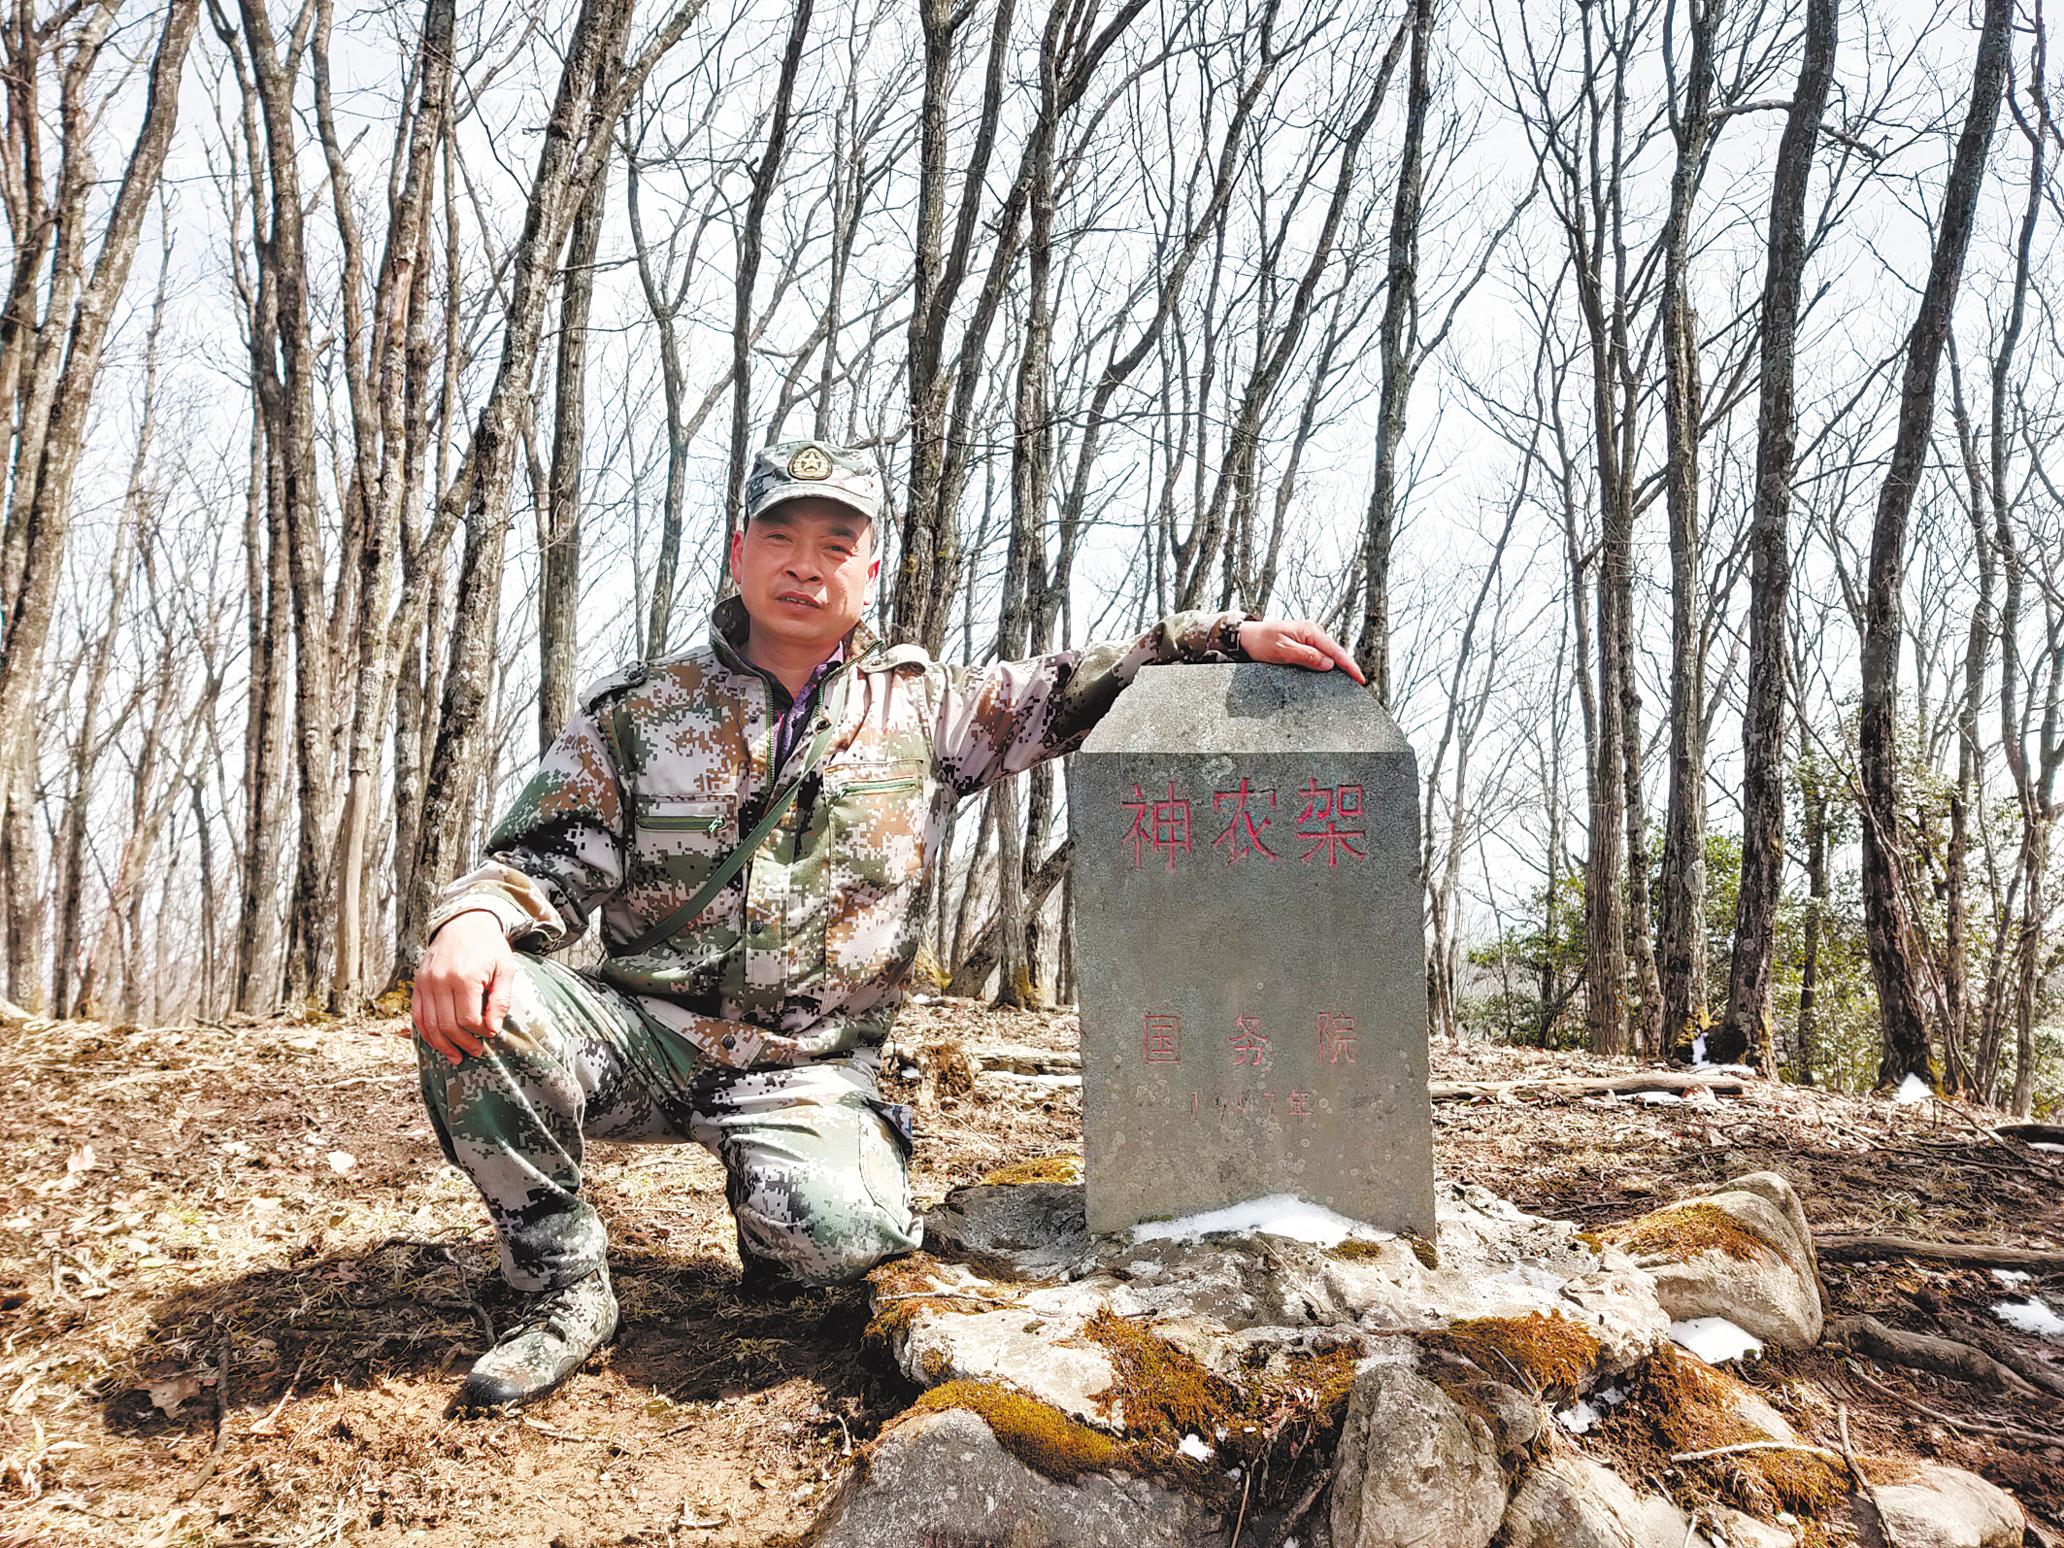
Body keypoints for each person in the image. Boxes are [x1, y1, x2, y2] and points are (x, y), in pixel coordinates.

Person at [408, 439, 1365, 1409]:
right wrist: (473, 920)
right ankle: (562, 1287)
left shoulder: (930, 711)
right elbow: (533, 864)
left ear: (871, 570)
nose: (804, 563)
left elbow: (1083, 683)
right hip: (645, 1038)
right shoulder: (640, 713)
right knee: (492, 999)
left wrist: (1224, 637)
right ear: (740, 553)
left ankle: (786, 1192)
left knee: (837, 1250)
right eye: (780, 536)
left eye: (836, 542)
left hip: (804, 1066)